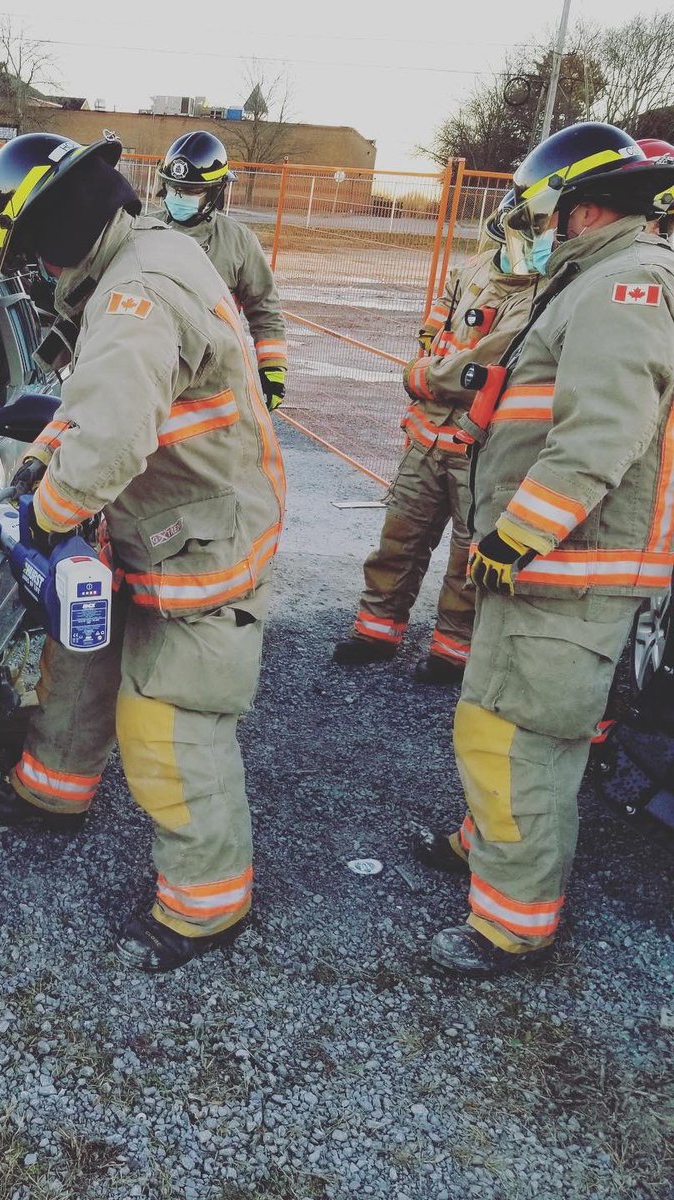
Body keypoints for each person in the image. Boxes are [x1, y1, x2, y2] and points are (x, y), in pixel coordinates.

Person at [0, 132, 286, 972]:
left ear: (59, 232)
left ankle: (206, 904)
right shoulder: (133, 265)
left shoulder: (137, 290)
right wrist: (44, 458)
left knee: (170, 717)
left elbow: (112, 432)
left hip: (200, 539)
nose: (37, 275)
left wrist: (46, 513)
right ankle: (53, 792)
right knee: (80, 658)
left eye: (33, 256)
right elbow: (91, 398)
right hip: (150, 519)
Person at [419, 122, 674, 977]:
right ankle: (485, 842)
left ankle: (511, 925)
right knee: (493, 716)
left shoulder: (624, 285)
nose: (535, 230)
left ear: (585, 209)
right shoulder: (590, 282)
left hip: (567, 568)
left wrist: (521, 529)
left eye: (546, 213)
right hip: (543, 568)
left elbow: (604, 428)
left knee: (521, 740)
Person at [332, 199, 543, 683]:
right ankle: (376, 631)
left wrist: (422, 375)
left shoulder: (541, 297)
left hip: (478, 450)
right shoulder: (472, 271)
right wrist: (429, 355)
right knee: (399, 540)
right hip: (428, 438)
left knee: (468, 561)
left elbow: (483, 367)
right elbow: (438, 325)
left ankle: (452, 651)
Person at [155, 131, 288, 411]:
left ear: (216, 191)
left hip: (212, 377)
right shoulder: (141, 230)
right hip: (149, 367)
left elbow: (264, 307)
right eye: (173, 188)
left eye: (191, 191)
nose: (179, 197)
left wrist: (272, 369)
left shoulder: (238, 241)